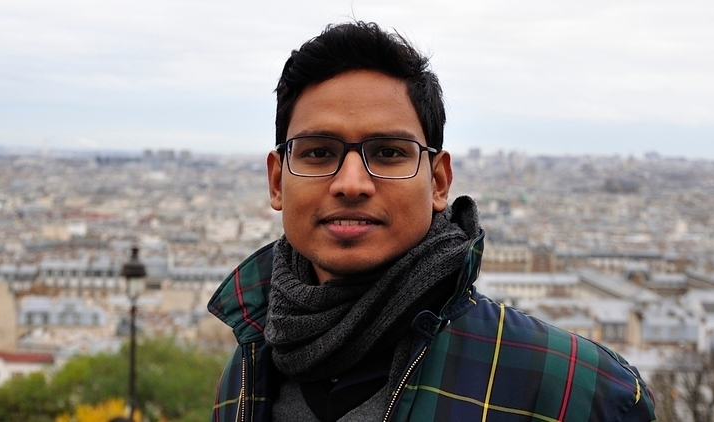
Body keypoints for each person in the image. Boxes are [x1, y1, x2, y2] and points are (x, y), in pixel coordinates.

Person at [207, 21, 657, 422]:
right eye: (318, 152)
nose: (351, 183)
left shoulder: (583, 396)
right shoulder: (246, 371)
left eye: (388, 153)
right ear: (277, 181)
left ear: (439, 182)